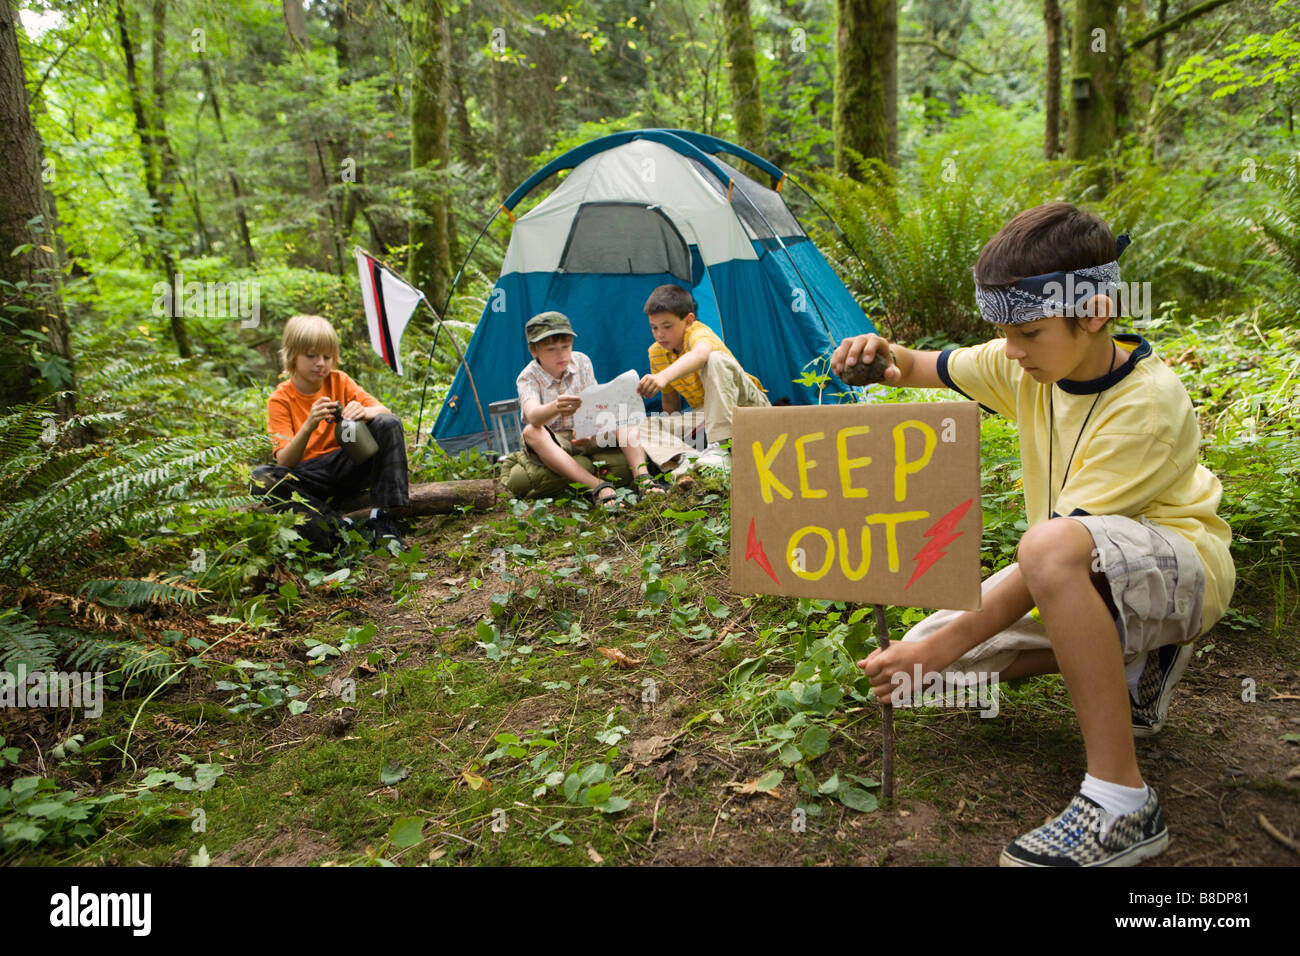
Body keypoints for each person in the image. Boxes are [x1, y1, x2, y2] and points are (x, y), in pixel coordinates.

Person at [831, 202, 1234, 867]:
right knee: (927, 667)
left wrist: (948, 642)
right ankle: (1133, 660)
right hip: (1084, 575)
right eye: (1002, 333)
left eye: (1029, 333)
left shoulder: (1147, 404)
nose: (1012, 353)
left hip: (1181, 570)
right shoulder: (1029, 360)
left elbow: (1054, 550)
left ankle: (1122, 803)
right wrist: (879, 358)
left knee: (1042, 551)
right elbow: (919, 366)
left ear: (1097, 312)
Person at [251, 314, 410, 551]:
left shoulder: (339, 381)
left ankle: (384, 518)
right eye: (312, 355)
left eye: (327, 356)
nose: (321, 363)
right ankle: (334, 528)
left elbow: (385, 412)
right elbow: (284, 460)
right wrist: (309, 425)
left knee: (388, 423)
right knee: (261, 477)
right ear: (293, 355)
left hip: (347, 464)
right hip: (308, 476)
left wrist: (364, 411)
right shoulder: (280, 399)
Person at [516, 311, 664, 508]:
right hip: (557, 438)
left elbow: (595, 403)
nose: (561, 354)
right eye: (551, 349)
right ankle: (598, 486)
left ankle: (642, 478)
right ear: (534, 351)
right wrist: (555, 407)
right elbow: (533, 415)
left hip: (587, 431)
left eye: (565, 347)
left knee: (622, 410)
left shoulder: (581, 362)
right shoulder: (528, 377)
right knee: (531, 432)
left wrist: (590, 427)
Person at [635, 284, 769, 467]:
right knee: (642, 426)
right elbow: (670, 401)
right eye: (654, 327)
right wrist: (674, 431)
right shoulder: (656, 353)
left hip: (746, 404)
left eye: (667, 326)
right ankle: (687, 461)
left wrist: (663, 376)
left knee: (714, 359)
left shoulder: (699, 333)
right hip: (706, 416)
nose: (660, 334)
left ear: (689, 320)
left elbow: (700, 355)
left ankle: (721, 448)